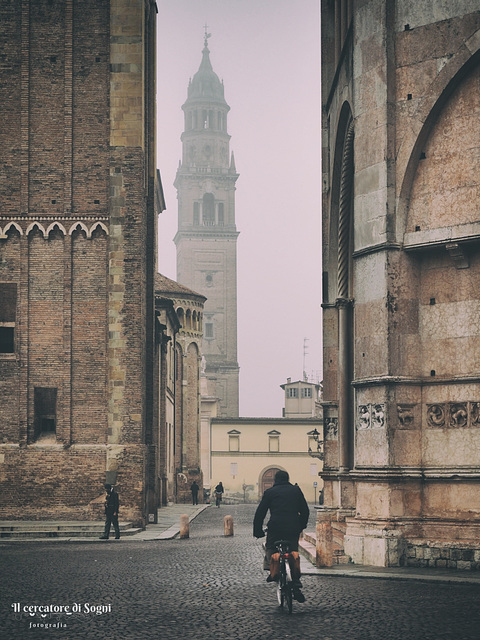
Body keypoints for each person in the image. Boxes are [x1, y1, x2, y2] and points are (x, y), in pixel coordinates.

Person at [253, 470, 309, 603]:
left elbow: (260, 513)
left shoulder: (270, 492)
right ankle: (295, 581)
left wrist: (258, 531)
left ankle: (272, 571)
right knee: (293, 551)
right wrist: (301, 526)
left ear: (275, 481)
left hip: (276, 527)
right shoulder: (296, 490)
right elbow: (305, 510)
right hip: (292, 527)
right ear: (288, 479)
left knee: (271, 548)